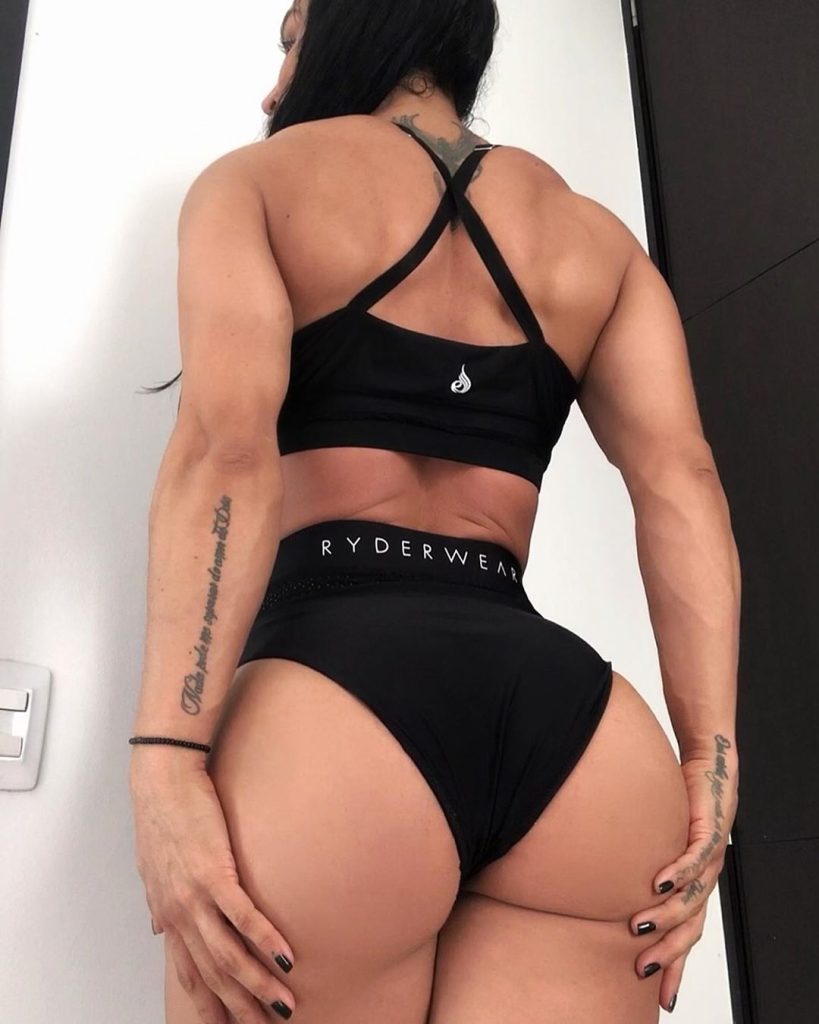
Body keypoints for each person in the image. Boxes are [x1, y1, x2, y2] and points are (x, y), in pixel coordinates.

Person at [128, 2, 741, 1022]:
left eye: (290, 42)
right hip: (576, 742)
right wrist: (710, 768)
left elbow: (223, 457)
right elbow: (684, 485)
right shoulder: (593, 237)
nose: (274, 87)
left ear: (357, 26)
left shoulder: (259, 185)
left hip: (334, 716)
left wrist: (166, 759)